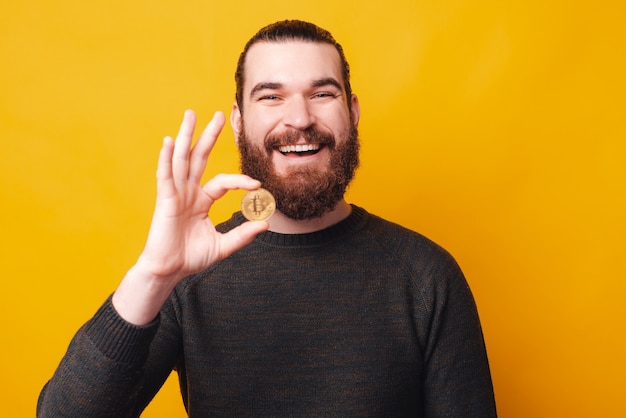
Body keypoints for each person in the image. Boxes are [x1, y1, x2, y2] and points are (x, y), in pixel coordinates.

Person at [37, 20, 497, 417]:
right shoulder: (186, 278)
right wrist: (154, 275)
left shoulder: (426, 276)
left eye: (322, 93)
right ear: (239, 120)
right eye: (271, 97)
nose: (299, 118)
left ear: (352, 113)